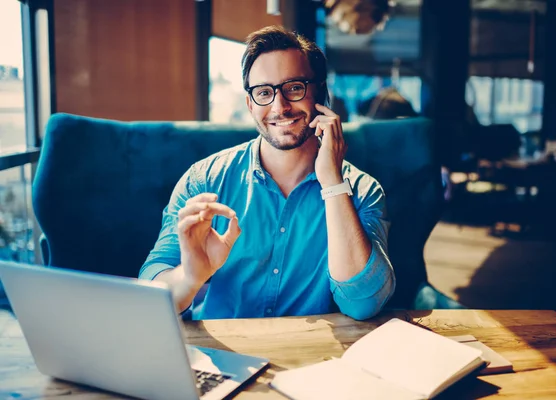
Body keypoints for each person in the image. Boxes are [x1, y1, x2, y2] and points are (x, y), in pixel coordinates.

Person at [139, 26, 395, 321]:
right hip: (223, 359)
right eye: (264, 92)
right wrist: (190, 277)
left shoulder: (363, 191)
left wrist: (333, 184)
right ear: (250, 104)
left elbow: (363, 304)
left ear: (320, 93)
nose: (279, 106)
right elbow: (152, 293)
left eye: (294, 87)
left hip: (313, 357)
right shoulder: (204, 180)